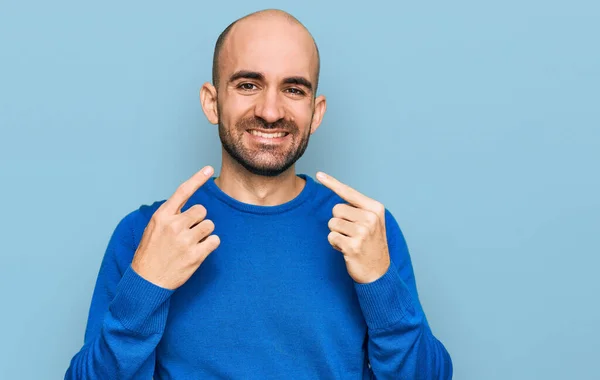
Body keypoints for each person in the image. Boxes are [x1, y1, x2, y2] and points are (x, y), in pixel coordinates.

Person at [65, 8, 452, 380]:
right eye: (248, 85)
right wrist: (145, 287)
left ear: (316, 113)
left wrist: (380, 284)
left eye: (293, 89)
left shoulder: (366, 230)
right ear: (212, 101)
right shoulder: (147, 233)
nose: (270, 111)